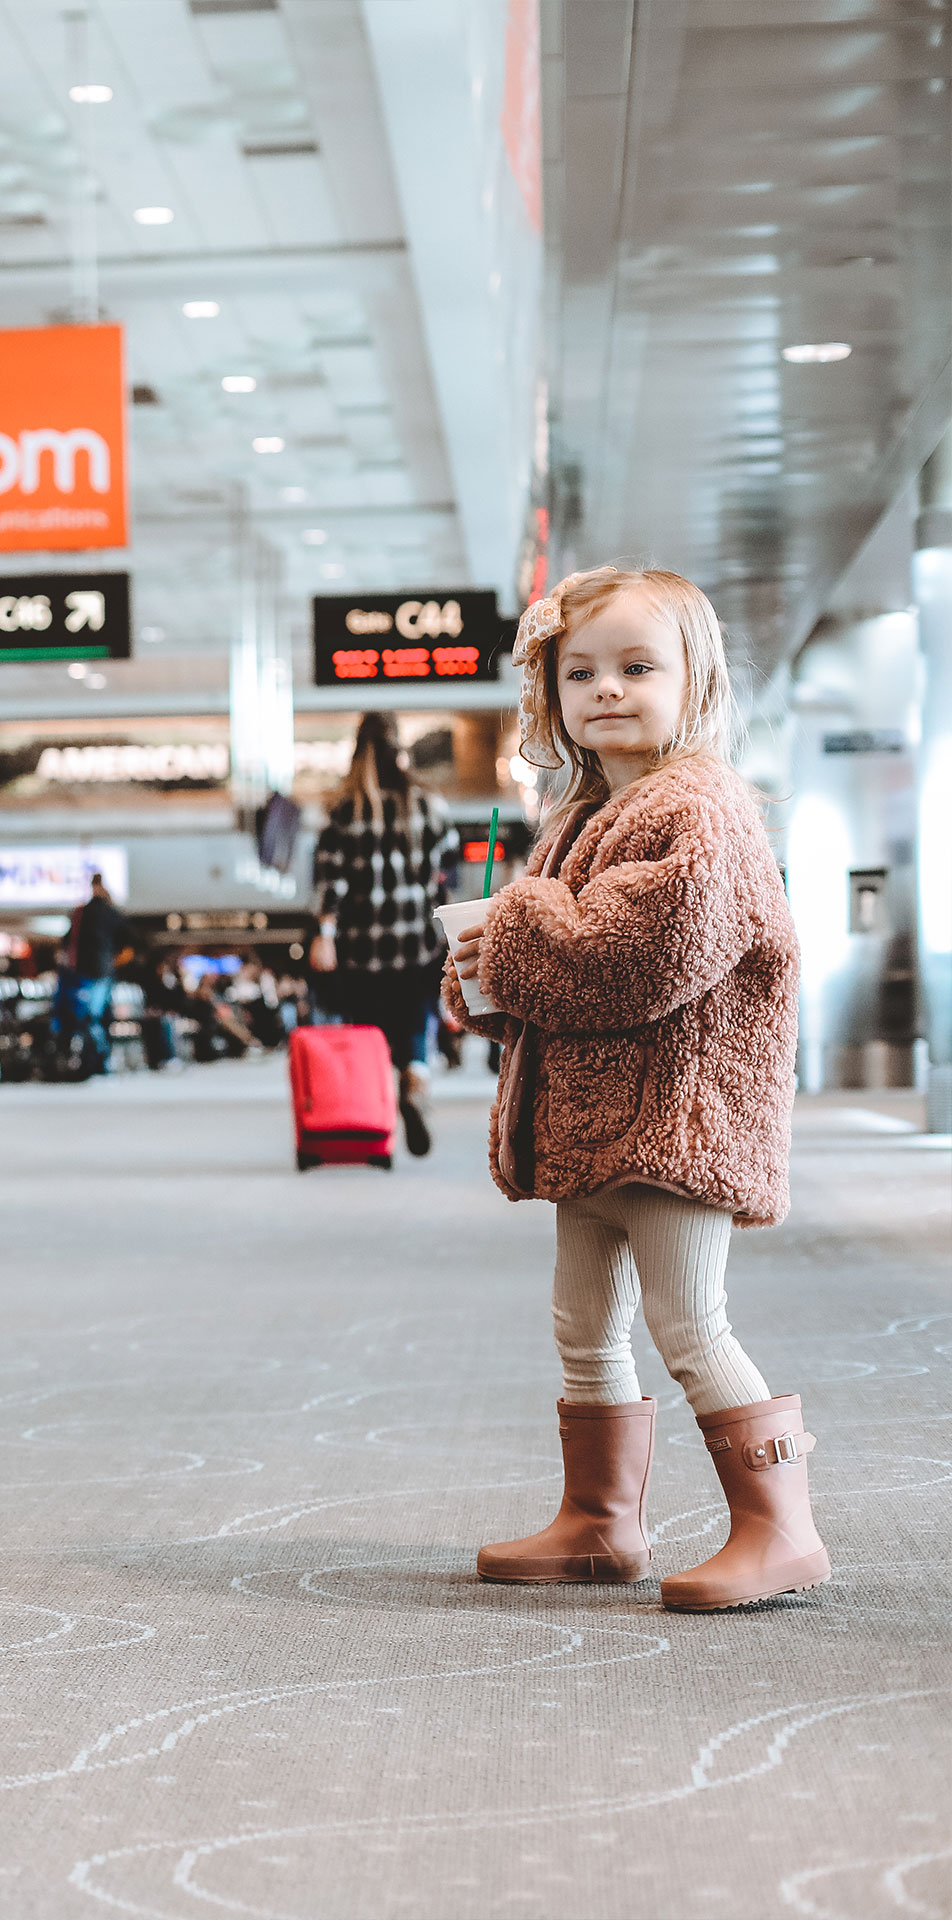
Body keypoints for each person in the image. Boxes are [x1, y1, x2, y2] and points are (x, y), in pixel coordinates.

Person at [449, 567, 822, 1613]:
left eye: (637, 666)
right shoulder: (580, 814)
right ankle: (601, 1521)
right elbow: (555, 964)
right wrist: (486, 970)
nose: (606, 688)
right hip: (595, 1124)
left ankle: (779, 1526)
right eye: (581, 671)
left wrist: (512, 928)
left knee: (692, 1322)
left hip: (674, 1122)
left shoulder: (701, 808)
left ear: (692, 678)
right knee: (583, 1323)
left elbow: (638, 954)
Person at [308, 712, 459, 1155]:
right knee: (415, 1028)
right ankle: (415, 1084)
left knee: (371, 1036)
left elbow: (330, 882)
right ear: (400, 748)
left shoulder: (343, 809)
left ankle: (376, 1112)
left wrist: (325, 934)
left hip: (360, 950)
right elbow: (446, 875)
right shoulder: (428, 804)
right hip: (415, 944)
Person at [53, 872, 132, 1077]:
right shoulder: (112, 912)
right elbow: (128, 943)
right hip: (104, 973)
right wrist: (114, 962)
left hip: (82, 974)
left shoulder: (81, 913)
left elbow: (67, 942)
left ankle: (97, 1060)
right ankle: (101, 1061)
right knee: (97, 1017)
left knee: (88, 1018)